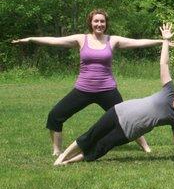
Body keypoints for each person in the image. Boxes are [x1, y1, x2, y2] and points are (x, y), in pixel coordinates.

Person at [12, 9, 162, 155]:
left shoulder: (112, 40)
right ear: (90, 23)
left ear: (106, 23)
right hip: (83, 89)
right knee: (55, 115)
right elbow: (55, 41)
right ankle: (57, 150)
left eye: (102, 21)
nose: (99, 24)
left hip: (107, 90)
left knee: (126, 117)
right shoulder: (81, 39)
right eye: (96, 21)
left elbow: (138, 42)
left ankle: (145, 147)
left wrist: (162, 42)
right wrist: (31, 39)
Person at [53, 24, 174, 165]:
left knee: (101, 148)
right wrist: (165, 40)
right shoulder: (170, 91)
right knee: (91, 135)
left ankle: (68, 163)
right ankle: (62, 156)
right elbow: (163, 64)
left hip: (127, 132)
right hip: (118, 111)